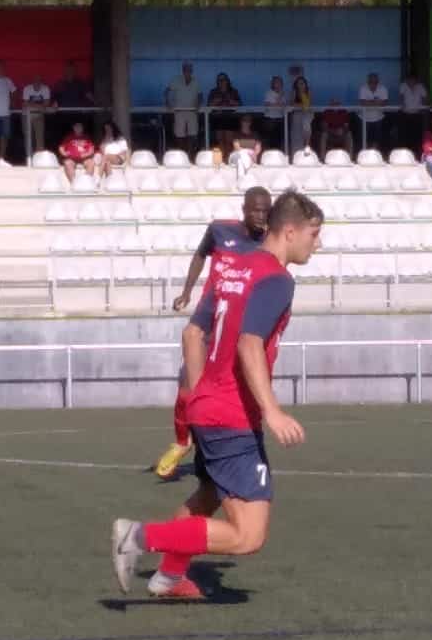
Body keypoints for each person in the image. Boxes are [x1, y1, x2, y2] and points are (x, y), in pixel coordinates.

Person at [115, 189, 324, 600]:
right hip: (231, 416)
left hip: (207, 406)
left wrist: (199, 396)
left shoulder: (231, 268)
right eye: (313, 234)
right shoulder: (277, 280)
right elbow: (249, 343)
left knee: (208, 494)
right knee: (248, 536)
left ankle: (169, 576)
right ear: (289, 231)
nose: (317, 244)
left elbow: (193, 333)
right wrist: (272, 410)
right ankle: (137, 537)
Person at [153, 186, 272, 480]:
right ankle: (183, 441)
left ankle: (221, 448)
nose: (261, 216)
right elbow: (199, 255)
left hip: (238, 323)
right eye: (256, 210)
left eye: (266, 210)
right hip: (211, 311)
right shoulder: (219, 230)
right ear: (244, 210)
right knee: (187, 382)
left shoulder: (270, 242)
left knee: (231, 389)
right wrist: (186, 292)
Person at [165, 62, 202, 146]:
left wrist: (198, 105)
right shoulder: (176, 80)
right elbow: (166, 91)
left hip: (192, 111)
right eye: (185, 69)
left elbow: (200, 95)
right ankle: (182, 151)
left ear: (192, 70)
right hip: (179, 111)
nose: (187, 71)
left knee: (193, 134)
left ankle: (189, 152)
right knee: (179, 135)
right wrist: (167, 102)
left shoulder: (196, 81)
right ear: (183, 70)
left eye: (189, 69)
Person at [207, 72, 241, 157]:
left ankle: (229, 158)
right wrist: (216, 101)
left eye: (224, 79)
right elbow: (209, 105)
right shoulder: (213, 92)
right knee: (220, 141)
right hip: (218, 118)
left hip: (230, 118)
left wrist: (230, 100)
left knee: (229, 141)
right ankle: (221, 158)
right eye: (220, 80)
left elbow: (239, 104)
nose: (222, 82)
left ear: (227, 81)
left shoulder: (233, 91)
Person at [357, 71, 389, 153]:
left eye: (375, 82)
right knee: (364, 138)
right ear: (368, 81)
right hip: (364, 118)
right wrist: (376, 102)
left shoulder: (383, 88)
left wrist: (369, 102)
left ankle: (376, 154)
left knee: (377, 138)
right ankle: (364, 153)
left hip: (378, 118)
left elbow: (385, 103)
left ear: (378, 82)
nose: (373, 83)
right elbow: (362, 103)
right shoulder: (363, 88)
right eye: (371, 81)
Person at [22, 74, 52, 158]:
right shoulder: (27, 89)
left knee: (40, 138)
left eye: (39, 80)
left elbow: (47, 103)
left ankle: (39, 158)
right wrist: (40, 106)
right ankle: (29, 157)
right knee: (28, 137)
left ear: (41, 81)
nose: (37, 82)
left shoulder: (45, 89)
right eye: (35, 80)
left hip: (39, 115)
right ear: (32, 81)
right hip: (26, 115)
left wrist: (33, 105)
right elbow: (25, 103)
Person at [398, 72, 429, 151]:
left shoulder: (420, 86)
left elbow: (425, 98)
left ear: (416, 80)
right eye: (409, 80)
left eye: (413, 80)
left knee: (417, 135)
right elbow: (401, 97)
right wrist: (402, 104)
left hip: (417, 114)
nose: (411, 82)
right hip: (406, 114)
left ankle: (417, 151)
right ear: (407, 80)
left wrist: (426, 105)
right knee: (405, 134)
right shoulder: (403, 86)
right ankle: (406, 151)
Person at [289, 75, 314, 149]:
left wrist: (302, 104)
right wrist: (301, 105)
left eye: (302, 83)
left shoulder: (308, 91)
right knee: (296, 133)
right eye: (299, 83)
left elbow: (309, 104)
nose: (301, 85)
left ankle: (307, 145)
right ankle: (297, 150)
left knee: (306, 126)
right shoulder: (294, 92)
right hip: (297, 113)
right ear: (296, 85)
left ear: (305, 84)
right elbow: (292, 103)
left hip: (307, 113)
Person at [262, 75, 286, 149]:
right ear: (273, 84)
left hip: (280, 118)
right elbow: (269, 104)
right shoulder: (269, 93)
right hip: (271, 119)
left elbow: (284, 105)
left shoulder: (283, 94)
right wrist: (279, 97)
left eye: (280, 82)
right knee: (270, 140)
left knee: (279, 139)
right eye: (276, 82)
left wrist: (280, 101)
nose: (278, 84)